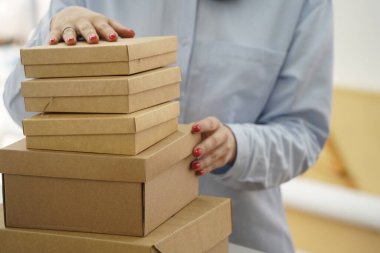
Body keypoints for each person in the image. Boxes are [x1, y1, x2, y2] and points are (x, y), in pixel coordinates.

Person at [3, 1, 333, 252]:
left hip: (239, 237)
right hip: (104, 233)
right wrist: (54, 31)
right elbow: (21, 105)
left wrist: (236, 145)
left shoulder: (301, 6)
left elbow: (303, 131)